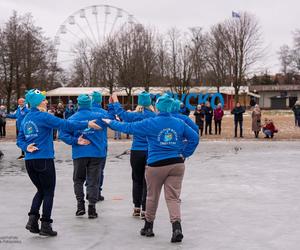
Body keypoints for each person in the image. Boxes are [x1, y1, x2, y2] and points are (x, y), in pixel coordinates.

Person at [102, 94, 199, 243]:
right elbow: (194, 137)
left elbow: (127, 126)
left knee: (152, 196)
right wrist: (184, 153)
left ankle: (148, 226)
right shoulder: (179, 122)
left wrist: (110, 122)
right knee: (173, 197)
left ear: (158, 107)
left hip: (156, 164)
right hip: (176, 164)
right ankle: (176, 227)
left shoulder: (151, 122)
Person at [17, 89, 101, 237]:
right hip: (43, 160)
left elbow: (20, 139)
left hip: (30, 162)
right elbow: (65, 124)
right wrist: (87, 123)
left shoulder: (26, 118)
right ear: (37, 102)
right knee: (48, 192)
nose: (46, 101)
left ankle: (32, 220)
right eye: (43, 100)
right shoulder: (43, 116)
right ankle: (46, 224)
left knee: (41, 191)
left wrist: (26, 147)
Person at [60, 94, 108, 219]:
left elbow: (62, 134)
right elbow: (114, 122)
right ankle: (92, 208)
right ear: (90, 104)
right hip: (97, 153)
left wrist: (75, 141)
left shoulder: (73, 118)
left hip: (80, 154)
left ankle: (80, 206)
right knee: (93, 180)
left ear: (78, 104)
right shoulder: (100, 116)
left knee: (78, 180)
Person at [110, 91, 156, 219]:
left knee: (136, 179)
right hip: (150, 151)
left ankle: (136, 207)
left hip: (136, 151)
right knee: (147, 181)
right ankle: (145, 209)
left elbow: (121, 114)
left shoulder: (135, 115)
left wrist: (115, 100)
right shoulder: (154, 116)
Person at [90, 91, 115, 202]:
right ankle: (97, 192)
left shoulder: (84, 112)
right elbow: (112, 121)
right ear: (100, 100)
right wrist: (111, 106)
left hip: (85, 146)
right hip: (100, 146)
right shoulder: (103, 113)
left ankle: (89, 191)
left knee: (87, 170)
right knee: (99, 170)